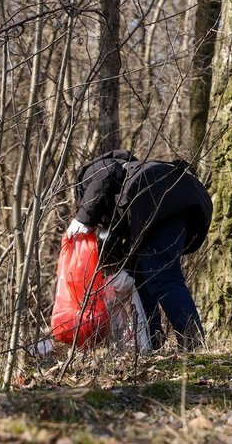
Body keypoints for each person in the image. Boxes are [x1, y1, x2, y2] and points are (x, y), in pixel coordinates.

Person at [67, 150, 212, 350]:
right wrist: (124, 269)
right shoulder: (129, 189)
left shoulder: (95, 171)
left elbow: (108, 173)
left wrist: (83, 218)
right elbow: (127, 243)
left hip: (165, 201)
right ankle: (152, 343)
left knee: (163, 275)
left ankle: (192, 343)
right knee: (144, 275)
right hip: (184, 202)